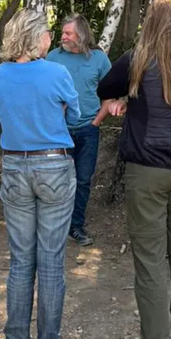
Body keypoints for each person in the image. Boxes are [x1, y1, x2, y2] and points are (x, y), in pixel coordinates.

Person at [96, 0, 171, 339]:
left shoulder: (138, 60)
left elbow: (104, 87)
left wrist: (123, 99)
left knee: (151, 263)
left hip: (148, 169)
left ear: (151, 23)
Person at [0, 8, 80, 339]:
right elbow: (76, 114)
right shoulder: (57, 73)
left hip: (14, 165)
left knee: (21, 260)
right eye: (47, 34)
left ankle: (16, 334)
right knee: (51, 262)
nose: (50, 39)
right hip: (53, 163)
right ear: (36, 37)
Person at [46, 14, 111, 246]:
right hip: (58, 131)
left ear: (81, 35)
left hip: (88, 130)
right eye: (63, 33)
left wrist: (96, 122)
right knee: (56, 180)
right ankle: (54, 227)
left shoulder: (99, 59)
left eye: (68, 33)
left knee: (83, 180)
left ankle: (76, 226)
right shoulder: (52, 58)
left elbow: (111, 94)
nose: (63, 37)